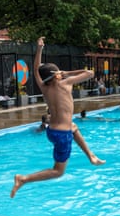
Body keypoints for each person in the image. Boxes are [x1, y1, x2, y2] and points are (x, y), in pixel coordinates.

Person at [11, 37, 105, 198]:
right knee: (58, 171)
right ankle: (24, 179)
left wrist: (39, 49)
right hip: (62, 135)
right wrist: (67, 73)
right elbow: (90, 73)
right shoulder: (65, 83)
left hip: (52, 131)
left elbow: (35, 70)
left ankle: (91, 156)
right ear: (57, 75)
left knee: (74, 127)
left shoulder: (44, 87)